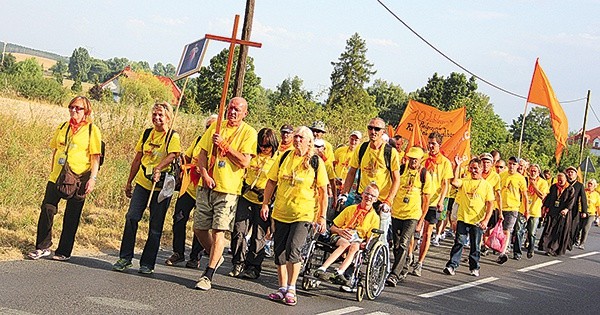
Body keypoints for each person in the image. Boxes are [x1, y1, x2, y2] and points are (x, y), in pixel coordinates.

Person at [193, 97, 257, 290]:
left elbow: (244, 162)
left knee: (219, 230)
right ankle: (216, 254)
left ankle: (208, 275)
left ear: (245, 112)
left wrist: (225, 146)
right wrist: (204, 173)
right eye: (230, 108)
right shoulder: (216, 127)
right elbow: (202, 153)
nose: (232, 112)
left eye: (237, 109)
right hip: (207, 186)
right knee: (199, 228)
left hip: (228, 189)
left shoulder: (249, 133)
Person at [260, 126, 328, 306]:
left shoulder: (315, 161)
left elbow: (323, 191)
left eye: (301, 137)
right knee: (279, 251)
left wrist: (322, 216)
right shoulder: (284, 157)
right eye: (296, 136)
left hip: (303, 213)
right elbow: (271, 181)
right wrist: (266, 203)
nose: (297, 140)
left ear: (309, 141)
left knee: (293, 249)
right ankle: (282, 288)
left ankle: (292, 288)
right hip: (281, 211)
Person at [28, 96, 102, 261]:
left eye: (78, 108)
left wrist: (93, 178)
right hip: (58, 175)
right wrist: (53, 169)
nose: (73, 111)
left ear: (86, 111)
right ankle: (43, 246)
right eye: (71, 107)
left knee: (72, 214)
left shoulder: (92, 130)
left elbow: (95, 157)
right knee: (47, 208)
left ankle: (64, 251)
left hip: (79, 178)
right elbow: (55, 150)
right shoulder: (63, 127)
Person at [112, 101, 181, 274]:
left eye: (161, 115)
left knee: (155, 227)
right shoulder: (147, 134)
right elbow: (137, 159)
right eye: (154, 114)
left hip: (161, 187)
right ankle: (125, 258)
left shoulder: (172, 136)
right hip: (143, 183)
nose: (157, 118)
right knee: (132, 217)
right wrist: (129, 182)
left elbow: (173, 155)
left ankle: (147, 263)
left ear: (168, 117)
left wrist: (159, 167)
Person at [164, 114, 217, 268]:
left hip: (205, 189)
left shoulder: (217, 146)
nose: (209, 130)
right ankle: (178, 253)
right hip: (189, 186)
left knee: (200, 223)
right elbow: (186, 157)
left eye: (212, 127)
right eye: (207, 127)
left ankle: (195, 257)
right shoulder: (200, 140)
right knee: (179, 218)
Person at [338, 118, 401, 242]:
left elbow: (396, 179)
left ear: (382, 132)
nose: (373, 131)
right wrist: (344, 193)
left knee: (379, 238)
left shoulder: (390, 152)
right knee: (354, 232)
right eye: (370, 128)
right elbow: (352, 172)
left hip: (381, 200)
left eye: (377, 129)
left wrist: (388, 201)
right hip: (362, 196)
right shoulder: (361, 148)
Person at [230, 128, 278, 279]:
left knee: (259, 235)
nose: (264, 149)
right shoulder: (253, 155)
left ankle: (253, 266)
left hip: (263, 199)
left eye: (267, 146)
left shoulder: (277, 159)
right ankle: (238, 262)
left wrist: (269, 200)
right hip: (246, 195)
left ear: (273, 145)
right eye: (261, 146)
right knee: (238, 230)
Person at [313, 183, 381, 286]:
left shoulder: (375, 218)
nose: (369, 197)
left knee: (354, 246)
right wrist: (340, 231)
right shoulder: (350, 209)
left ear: (376, 199)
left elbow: (371, 237)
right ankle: (322, 268)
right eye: (367, 194)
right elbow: (332, 227)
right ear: (362, 194)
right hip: (341, 235)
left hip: (357, 239)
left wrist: (365, 244)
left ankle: (340, 272)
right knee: (345, 244)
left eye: (372, 196)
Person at [386, 147, 432, 286]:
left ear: (420, 160)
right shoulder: (401, 170)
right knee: (396, 244)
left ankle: (394, 274)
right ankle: (404, 267)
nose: (413, 161)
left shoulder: (424, 174)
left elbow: (426, 200)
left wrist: (421, 220)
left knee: (405, 242)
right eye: (411, 158)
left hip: (412, 215)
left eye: (415, 159)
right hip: (397, 212)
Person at [443, 156, 494, 277]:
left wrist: (486, 220)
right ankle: (452, 265)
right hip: (463, 218)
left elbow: (490, 204)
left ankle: (474, 267)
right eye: (471, 168)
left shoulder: (486, 185)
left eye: (476, 168)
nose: (473, 171)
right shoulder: (465, 181)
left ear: (481, 169)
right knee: (459, 242)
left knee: (475, 245)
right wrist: (457, 165)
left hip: (477, 221)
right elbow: (454, 182)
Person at [411, 132, 453, 276]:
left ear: (439, 145)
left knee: (427, 233)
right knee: (413, 229)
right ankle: (410, 255)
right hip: (419, 199)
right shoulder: (423, 159)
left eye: (433, 144)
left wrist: (441, 201)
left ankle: (420, 262)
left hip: (434, 202)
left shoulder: (445, 162)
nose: (430, 146)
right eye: (429, 143)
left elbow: (445, 184)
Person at [496, 156, 528, 264]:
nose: (511, 166)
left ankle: (503, 252)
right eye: (510, 163)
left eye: (514, 164)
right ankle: (497, 246)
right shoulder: (501, 176)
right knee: (496, 229)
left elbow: (524, 195)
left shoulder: (520, 178)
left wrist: (526, 210)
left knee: (507, 230)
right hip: (500, 206)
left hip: (513, 207)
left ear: (518, 166)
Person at [539, 172, 575, 256]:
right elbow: (549, 198)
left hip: (562, 213)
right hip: (553, 211)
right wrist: (545, 207)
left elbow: (571, 201)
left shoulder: (570, 189)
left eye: (561, 180)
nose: (560, 181)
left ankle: (554, 249)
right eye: (558, 179)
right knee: (549, 229)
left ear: (565, 179)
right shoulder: (554, 187)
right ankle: (547, 247)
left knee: (558, 231)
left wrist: (566, 209)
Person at [478, 153, 502, 256]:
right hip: (476, 205)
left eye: (488, 162)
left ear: (492, 164)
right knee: (479, 228)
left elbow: (498, 194)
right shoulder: (475, 172)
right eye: (483, 162)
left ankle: (484, 246)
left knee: (486, 228)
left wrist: (500, 212)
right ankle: (478, 249)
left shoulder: (495, 177)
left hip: (489, 206)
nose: (485, 164)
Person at [523, 164, 548, 258]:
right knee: (519, 230)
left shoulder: (543, 182)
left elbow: (542, 196)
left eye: (535, 171)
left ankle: (531, 248)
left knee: (531, 232)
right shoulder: (525, 180)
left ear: (538, 173)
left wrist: (534, 185)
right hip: (523, 209)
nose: (533, 173)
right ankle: (517, 252)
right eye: (531, 171)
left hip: (535, 210)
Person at [565, 166, 587, 248]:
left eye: (572, 172)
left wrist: (584, 211)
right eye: (569, 172)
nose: (570, 174)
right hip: (564, 207)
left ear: (576, 174)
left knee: (572, 226)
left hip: (574, 208)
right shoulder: (564, 182)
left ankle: (570, 242)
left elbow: (583, 199)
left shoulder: (579, 185)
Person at [574, 179, 599, 250]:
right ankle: (576, 238)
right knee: (578, 227)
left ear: (594, 185)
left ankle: (582, 243)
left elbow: (598, 206)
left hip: (591, 214)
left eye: (591, 184)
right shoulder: (584, 191)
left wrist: (598, 216)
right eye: (589, 183)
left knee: (585, 228)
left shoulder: (596, 195)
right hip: (581, 211)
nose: (589, 185)